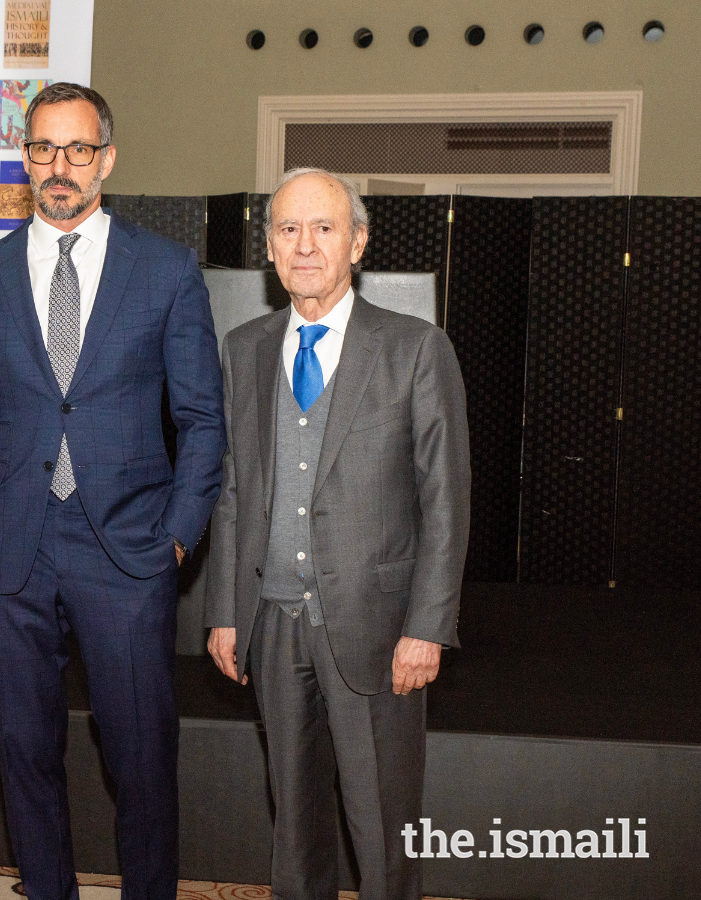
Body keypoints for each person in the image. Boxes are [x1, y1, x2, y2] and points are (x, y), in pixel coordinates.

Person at [0, 83, 226, 900]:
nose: (60, 169)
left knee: (141, 759)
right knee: (24, 755)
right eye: (43, 150)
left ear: (108, 159)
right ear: (24, 156)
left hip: (128, 555)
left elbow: (203, 419)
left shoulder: (165, 271)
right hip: (7, 559)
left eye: (79, 150)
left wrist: (174, 537)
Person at [205, 168, 470, 900]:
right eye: (288, 230)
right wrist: (227, 609)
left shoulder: (415, 348)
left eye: (324, 228)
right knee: (295, 824)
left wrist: (427, 627)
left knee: (383, 832)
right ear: (268, 248)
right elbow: (234, 489)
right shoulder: (246, 348)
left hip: (379, 631)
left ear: (357, 241)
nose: (306, 245)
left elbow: (446, 501)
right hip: (274, 621)